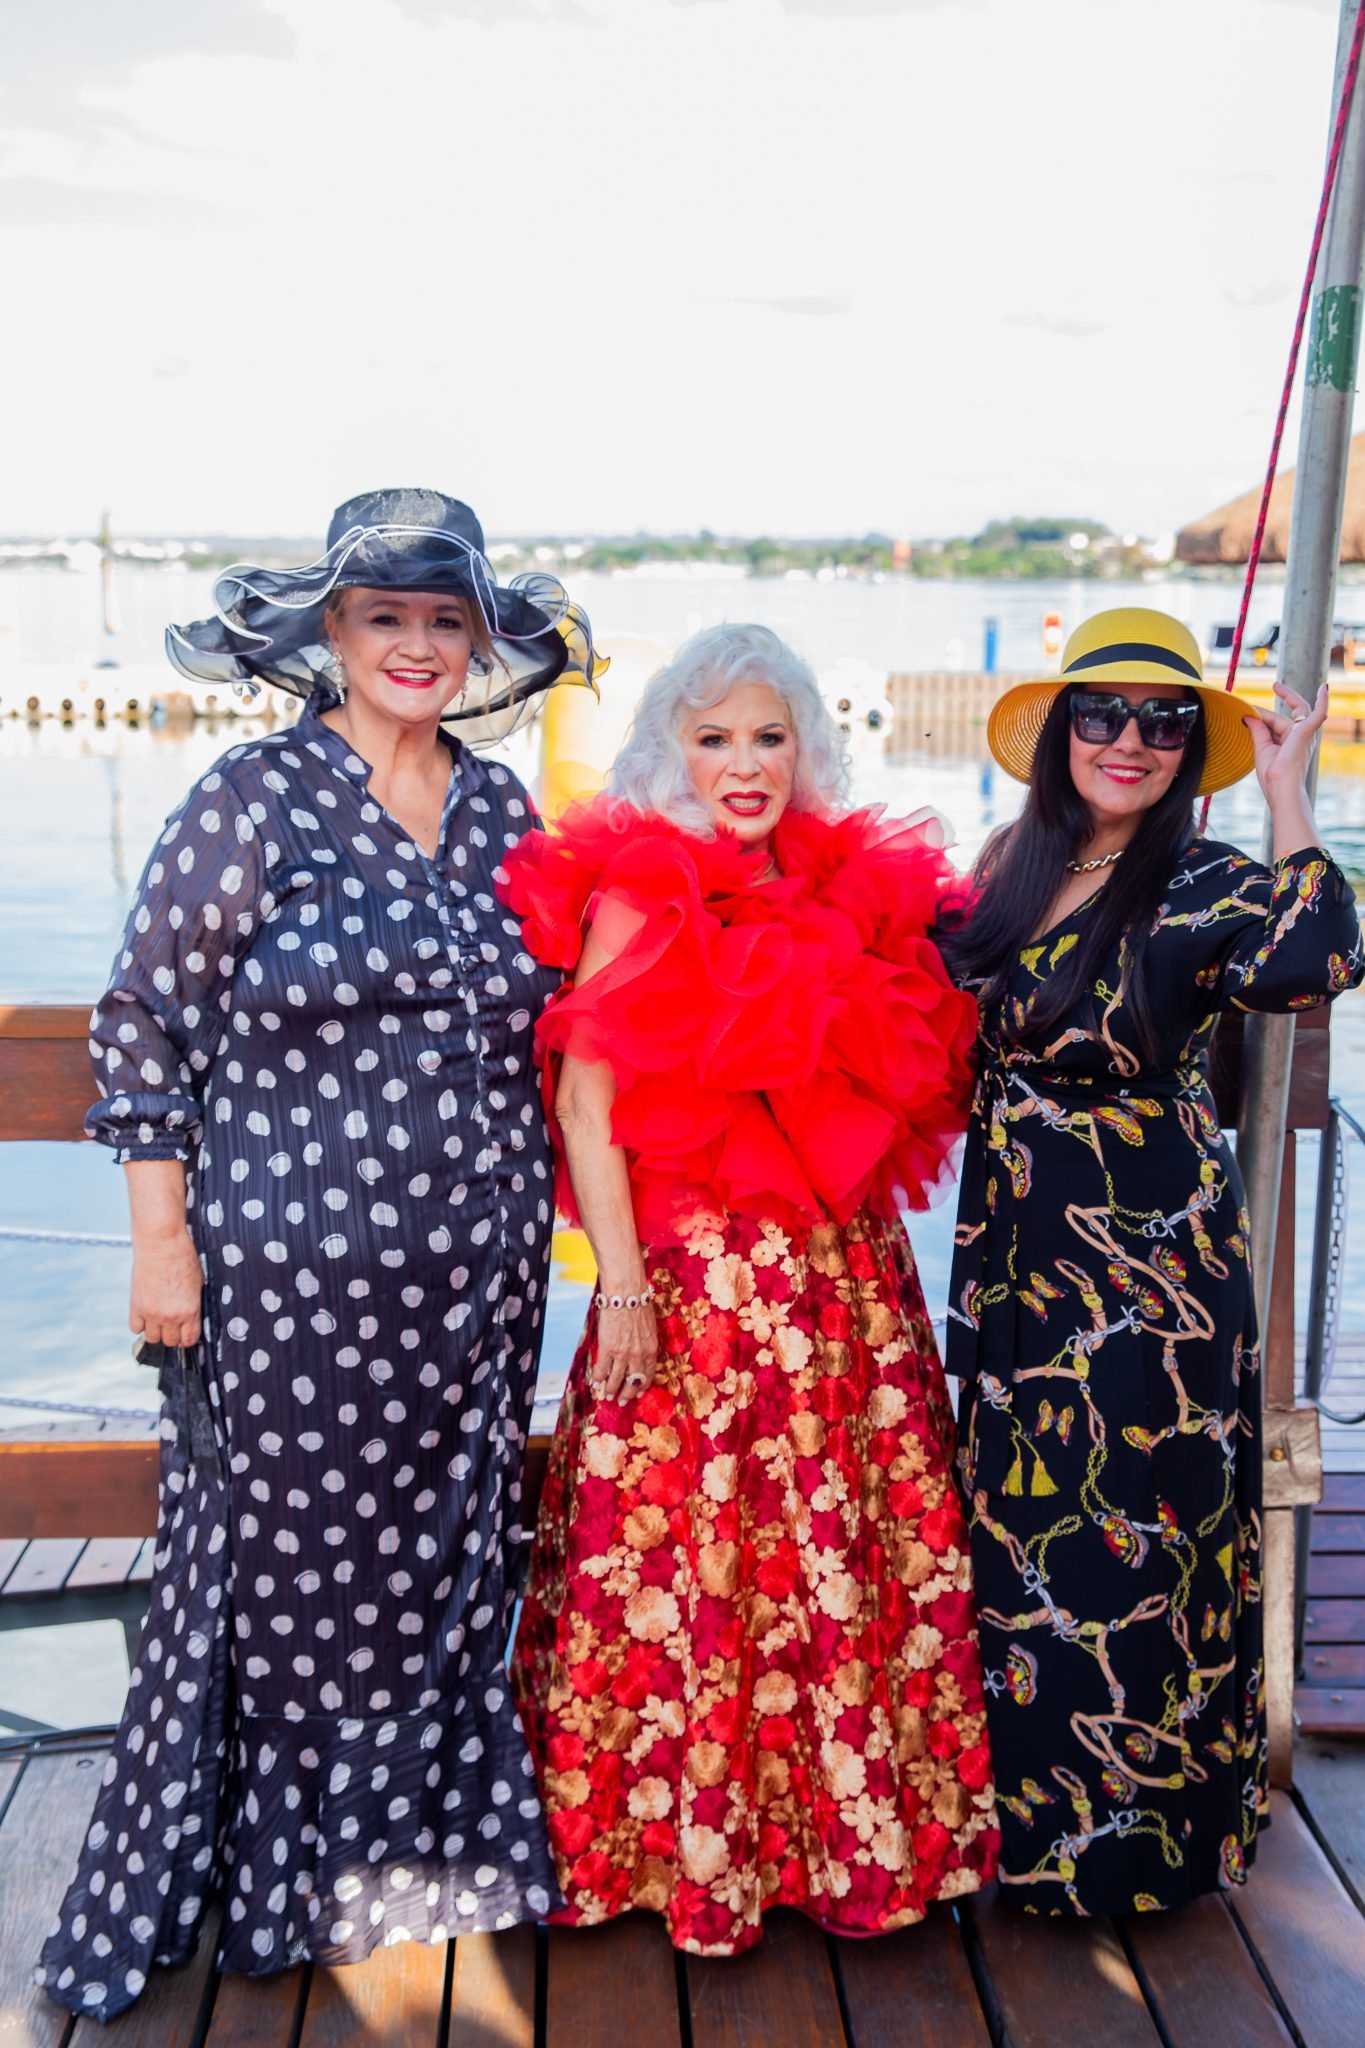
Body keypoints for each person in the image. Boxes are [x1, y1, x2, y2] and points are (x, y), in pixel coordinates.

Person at [38, 489, 603, 2021]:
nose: (415, 645)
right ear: (333, 634)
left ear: (477, 641)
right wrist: (162, 1244)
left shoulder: (502, 811)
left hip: (474, 1281)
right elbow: (141, 1028)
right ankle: (292, 1875)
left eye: (442, 619)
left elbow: (581, 1009)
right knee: (290, 1575)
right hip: (289, 1278)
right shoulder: (255, 799)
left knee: (445, 1560)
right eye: (384, 617)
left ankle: (422, 1859)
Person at [500, 622, 1001, 1954]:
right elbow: (586, 1101)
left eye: (768, 737)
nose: (743, 764)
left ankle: (843, 1839)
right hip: (692, 1287)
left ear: (804, 748)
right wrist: (618, 1287)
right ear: (672, 750)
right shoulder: (640, 890)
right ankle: (668, 1849)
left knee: (841, 1547)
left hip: (839, 1289)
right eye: (713, 737)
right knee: (680, 1548)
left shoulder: (847, 887)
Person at [936, 606, 1363, 1917]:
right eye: (1102, 713)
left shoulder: (1208, 877)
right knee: (1020, 1535)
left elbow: (1322, 957)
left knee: (1142, 1539)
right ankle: (1026, 1838)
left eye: (1165, 720)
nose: (1129, 740)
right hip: (1021, 1252)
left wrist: (1287, 788)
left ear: (1190, 746)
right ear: (1060, 731)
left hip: (1148, 1275)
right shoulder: (1012, 866)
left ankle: (1144, 1851)